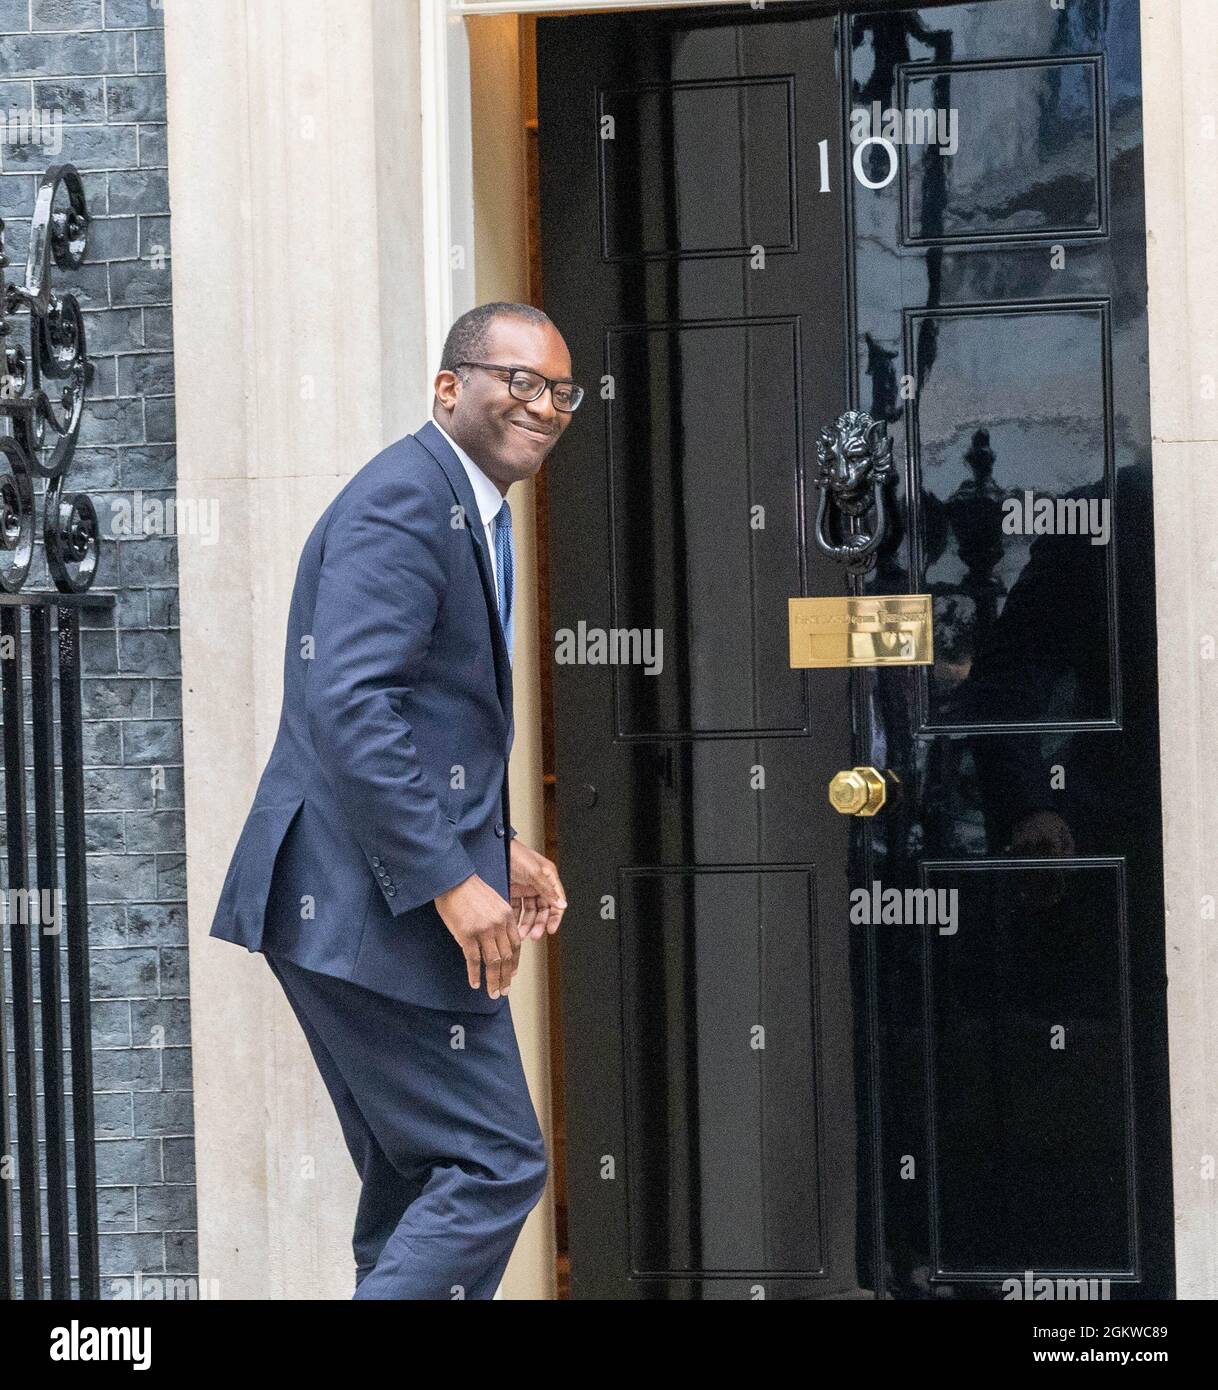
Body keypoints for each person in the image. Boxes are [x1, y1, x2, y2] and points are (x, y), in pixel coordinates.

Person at [209, 301, 576, 1298]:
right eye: (519, 379)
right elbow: (352, 706)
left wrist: (493, 846)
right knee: (495, 1162)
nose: (543, 405)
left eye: (560, 390)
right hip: (371, 903)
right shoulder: (406, 500)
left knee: (417, 1181)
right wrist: (452, 881)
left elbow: (419, 718)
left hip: (354, 898)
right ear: (449, 386)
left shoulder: (460, 506)